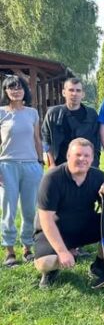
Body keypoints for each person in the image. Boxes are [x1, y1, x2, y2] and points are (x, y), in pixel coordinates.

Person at [34, 138, 104, 288]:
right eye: (78, 154)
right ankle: (51, 271)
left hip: (84, 225)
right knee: (45, 263)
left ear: (92, 158)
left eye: (86, 155)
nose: (82, 159)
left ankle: (99, 266)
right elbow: (46, 220)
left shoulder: (98, 176)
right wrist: (62, 251)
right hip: (56, 229)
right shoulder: (52, 179)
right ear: (68, 156)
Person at [0, 75, 44, 266]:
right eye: (11, 87)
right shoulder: (1, 113)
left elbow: (37, 139)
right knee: (8, 211)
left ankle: (27, 247)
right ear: (6, 91)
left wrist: (40, 162)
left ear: (25, 90)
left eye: (19, 87)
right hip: (7, 166)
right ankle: (9, 250)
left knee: (29, 210)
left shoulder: (32, 113)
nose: (16, 91)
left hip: (31, 166)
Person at [42, 77, 100, 168]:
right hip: (60, 166)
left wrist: (94, 165)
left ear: (83, 94)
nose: (74, 94)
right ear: (64, 93)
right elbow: (46, 140)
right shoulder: (53, 114)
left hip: (85, 166)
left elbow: (96, 143)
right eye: (71, 90)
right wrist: (52, 164)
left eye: (78, 90)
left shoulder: (91, 115)